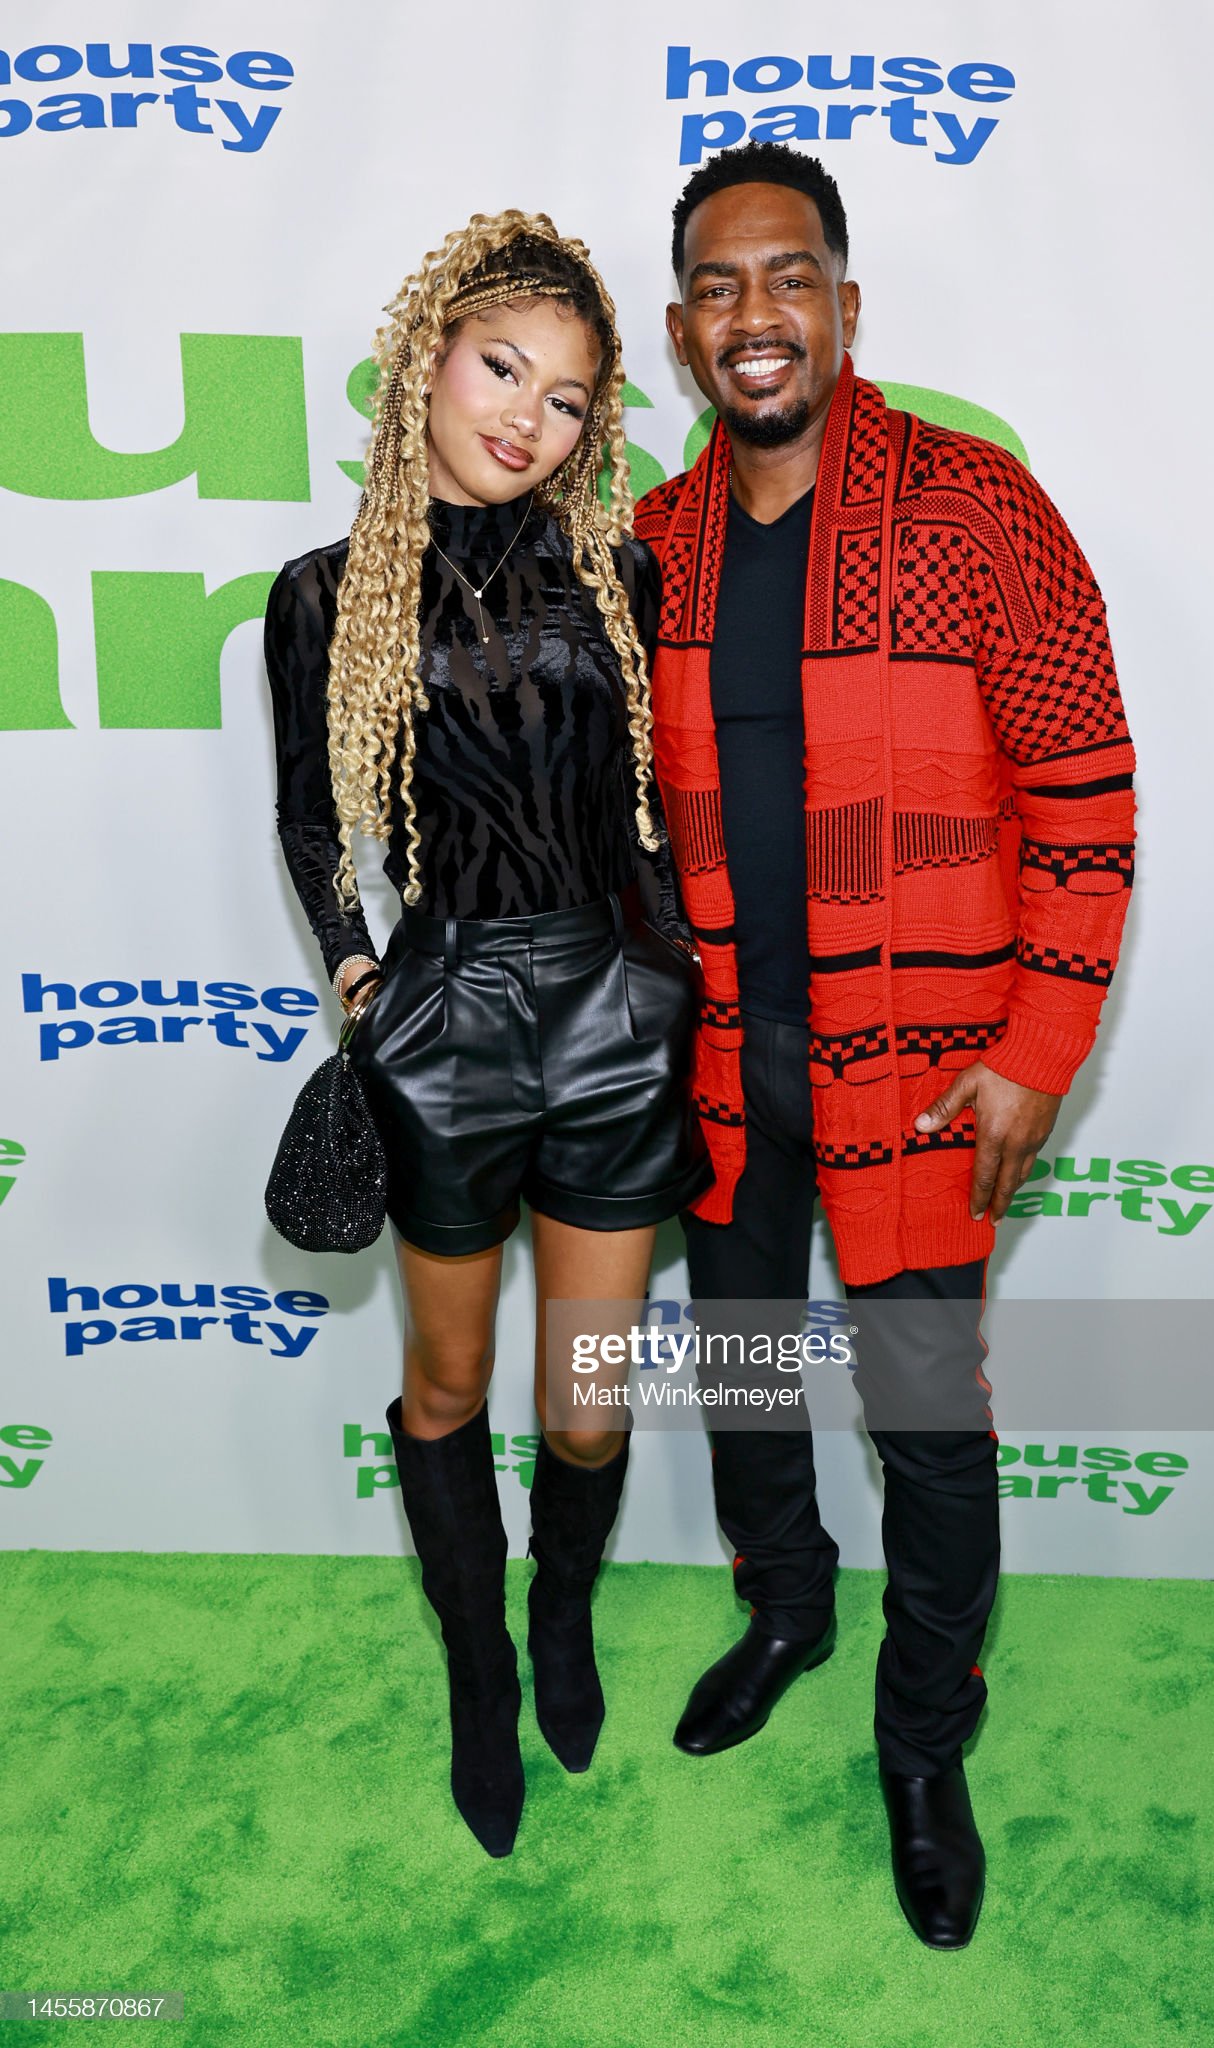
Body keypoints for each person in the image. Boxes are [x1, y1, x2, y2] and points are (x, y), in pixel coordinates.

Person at [636, 142, 1136, 1948]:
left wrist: (1036, 1048)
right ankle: (783, 1604)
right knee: (747, 1367)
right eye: (717, 285)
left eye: (788, 278)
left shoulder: (978, 507)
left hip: (920, 1060)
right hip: (717, 1063)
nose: (754, 316)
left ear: (847, 304)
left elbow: (1087, 794)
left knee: (923, 1413)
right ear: (684, 329)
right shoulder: (657, 538)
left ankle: (925, 1740)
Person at [263, 212, 710, 1860]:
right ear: (425, 363)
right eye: (501, 367)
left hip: (609, 1010)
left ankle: (562, 1617)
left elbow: (656, 815)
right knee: (446, 1389)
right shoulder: (319, 597)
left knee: (585, 1408)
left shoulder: (623, 570)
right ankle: (474, 1665)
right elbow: (313, 832)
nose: (528, 414)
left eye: (574, 397)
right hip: (443, 1025)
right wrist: (367, 984)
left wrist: (668, 977)